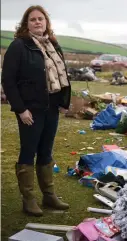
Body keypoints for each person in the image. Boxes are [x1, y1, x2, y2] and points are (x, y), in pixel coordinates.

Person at [2, 5, 71, 216]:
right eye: (33, 19)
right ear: (26, 24)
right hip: (30, 109)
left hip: (50, 107)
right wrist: (21, 110)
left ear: (46, 23)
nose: (38, 22)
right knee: (28, 150)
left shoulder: (52, 45)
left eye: (41, 19)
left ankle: (49, 196)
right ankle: (29, 199)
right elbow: (8, 81)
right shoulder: (19, 46)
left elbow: (61, 76)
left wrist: (62, 101)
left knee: (46, 150)